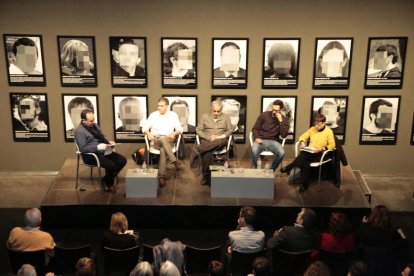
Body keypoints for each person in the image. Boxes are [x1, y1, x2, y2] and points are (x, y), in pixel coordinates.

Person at [75, 109, 127, 193]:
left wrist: (108, 142)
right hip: (91, 155)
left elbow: (102, 136)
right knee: (111, 165)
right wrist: (99, 147)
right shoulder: (79, 131)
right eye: (91, 121)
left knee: (122, 160)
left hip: (102, 150)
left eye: (93, 119)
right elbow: (83, 149)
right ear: (84, 120)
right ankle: (109, 184)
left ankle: (106, 178)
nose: (93, 122)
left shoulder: (94, 125)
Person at [281, 113, 335, 192]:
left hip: (321, 153)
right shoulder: (312, 129)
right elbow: (302, 136)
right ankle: (304, 184)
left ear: (324, 123)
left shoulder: (328, 131)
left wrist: (322, 148)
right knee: (305, 159)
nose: (317, 126)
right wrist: (302, 142)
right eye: (316, 123)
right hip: (311, 151)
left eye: (319, 124)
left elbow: (332, 145)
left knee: (304, 157)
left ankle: (289, 167)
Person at [356, 205, 409, 276]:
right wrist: (402, 235)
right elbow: (404, 249)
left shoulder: (364, 229)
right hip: (388, 269)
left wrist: (364, 225)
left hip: (368, 268)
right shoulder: (393, 231)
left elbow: (357, 244)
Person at [142, 97, 183, 187]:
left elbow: (180, 129)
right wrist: (148, 133)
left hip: (169, 140)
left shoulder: (173, 115)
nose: (159, 108)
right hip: (156, 140)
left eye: (161, 106)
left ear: (167, 106)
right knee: (162, 139)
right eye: (158, 106)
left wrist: (175, 132)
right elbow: (144, 127)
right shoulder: (153, 115)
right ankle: (175, 161)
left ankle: (162, 176)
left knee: (163, 150)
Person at [191, 100, 233, 186]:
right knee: (207, 152)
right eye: (214, 111)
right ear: (211, 109)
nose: (216, 113)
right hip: (207, 140)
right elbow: (198, 130)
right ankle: (208, 177)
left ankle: (198, 149)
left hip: (220, 141)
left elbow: (230, 129)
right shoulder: (204, 117)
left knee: (220, 142)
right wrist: (208, 137)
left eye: (219, 111)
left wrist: (220, 136)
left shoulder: (226, 117)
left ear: (221, 110)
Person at [251, 99, 290, 171]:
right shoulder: (264, 115)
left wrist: (281, 122)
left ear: (281, 110)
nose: (273, 112)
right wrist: (256, 137)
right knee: (254, 150)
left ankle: (271, 170)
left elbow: (284, 135)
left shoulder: (285, 119)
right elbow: (255, 128)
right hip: (261, 139)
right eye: (273, 109)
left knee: (281, 153)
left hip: (273, 141)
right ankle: (256, 170)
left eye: (276, 110)